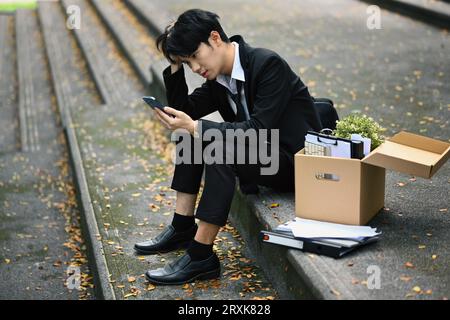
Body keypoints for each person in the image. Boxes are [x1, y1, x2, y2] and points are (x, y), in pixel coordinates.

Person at [134, 8, 338, 285]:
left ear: (215, 38)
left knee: (214, 143)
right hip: (263, 157)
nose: (195, 68)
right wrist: (174, 64)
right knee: (190, 136)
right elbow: (185, 111)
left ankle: (201, 255)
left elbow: (257, 129)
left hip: (294, 162)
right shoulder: (218, 79)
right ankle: (182, 227)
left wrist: (195, 127)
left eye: (194, 56)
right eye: (187, 62)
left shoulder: (267, 64)